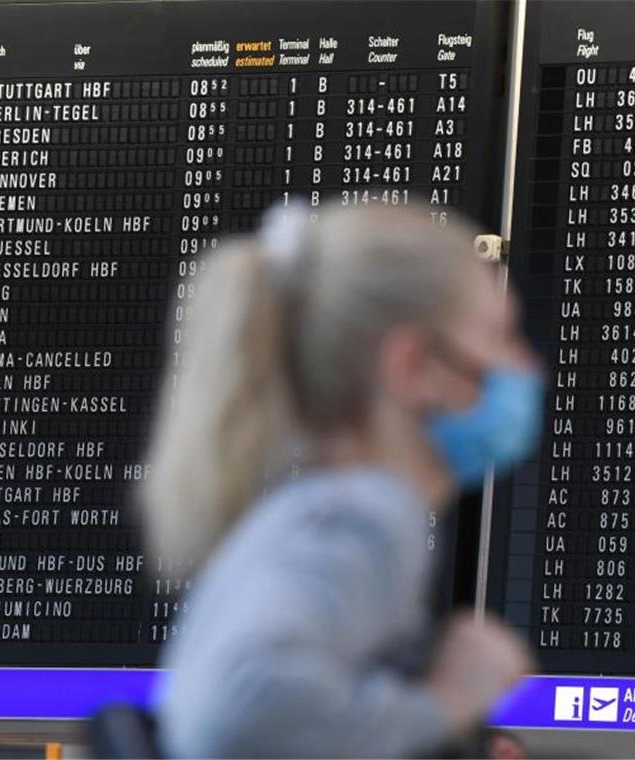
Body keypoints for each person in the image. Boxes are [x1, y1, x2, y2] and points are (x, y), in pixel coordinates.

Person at [141, 200, 543, 758]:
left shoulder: (305, 510)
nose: (523, 367)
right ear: (412, 365)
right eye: (500, 337)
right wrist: (447, 700)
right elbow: (242, 709)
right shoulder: (364, 519)